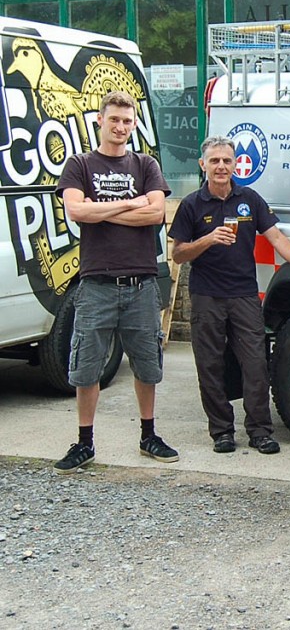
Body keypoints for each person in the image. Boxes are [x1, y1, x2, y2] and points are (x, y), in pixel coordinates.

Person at [168, 136, 290, 455]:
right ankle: (222, 431)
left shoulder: (249, 198)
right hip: (206, 296)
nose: (221, 166)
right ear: (203, 165)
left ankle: (260, 431)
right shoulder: (192, 204)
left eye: (227, 160)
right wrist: (208, 239)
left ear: (235, 164)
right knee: (210, 366)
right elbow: (179, 254)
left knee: (255, 364)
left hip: (244, 295)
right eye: (215, 161)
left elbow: (275, 237)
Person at [53, 90, 177, 473]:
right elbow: (76, 210)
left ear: (133, 124)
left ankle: (148, 435)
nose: (120, 127)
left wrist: (101, 211)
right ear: (100, 120)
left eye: (127, 121)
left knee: (147, 365)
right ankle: (84, 442)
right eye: (114, 120)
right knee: (86, 367)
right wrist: (129, 203)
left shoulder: (145, 164)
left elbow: (155, 213)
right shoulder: (80, 165)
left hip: (141, 285)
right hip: (96, 286)